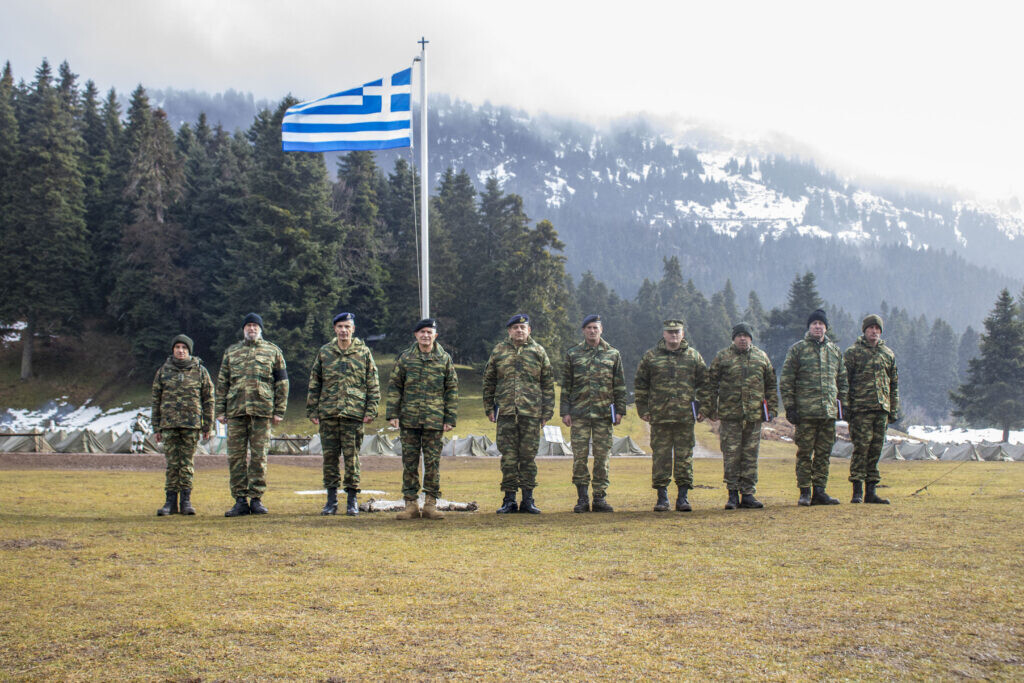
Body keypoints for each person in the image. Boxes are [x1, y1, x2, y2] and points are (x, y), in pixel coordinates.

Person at [306, 312, 380, 516]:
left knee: (352, 458)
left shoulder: (363, 352)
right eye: (340, 327)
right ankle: (331, 501)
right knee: (329, 458)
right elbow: (315, 382)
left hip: (353, 414)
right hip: (329, 413)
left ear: (353, 329)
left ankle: (352, 499)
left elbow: (372, 383)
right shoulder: (325, 352)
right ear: (335, 329)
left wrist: (371, 409)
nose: (343, 330)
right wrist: (312, 409)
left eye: (347, 327)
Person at [215, 313, 288, 517]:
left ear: (261, 329)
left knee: (259, 457)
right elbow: (222, 383)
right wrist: (220, 410)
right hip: (236, 412)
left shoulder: (273, 351)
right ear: (243, 329)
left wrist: (279, 410)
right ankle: (240, 499)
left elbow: (282, 383)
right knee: (236, 458)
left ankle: (256, 499)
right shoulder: (231, 352)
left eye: (255, 326)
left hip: (262, 412)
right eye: (248, 326)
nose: (252, 329)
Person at [482, 314, 555, 514]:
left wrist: (547, 412)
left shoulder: (538, 351)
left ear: (529, 330)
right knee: (508, 458)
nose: (519, 331)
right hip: (506, 413)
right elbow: (489, 380)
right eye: (515, 327)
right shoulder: (499, 351)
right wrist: (489, 407)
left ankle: (528, 500)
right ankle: (509, 499)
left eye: (523, 327)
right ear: (509, 331)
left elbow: (548, 383)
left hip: (531, 414)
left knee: (528, 458)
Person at [386, 318, 458, 520]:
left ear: (435, 335)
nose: (426, 335)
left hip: (434, 420)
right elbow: (395, 387)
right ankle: (410, 504)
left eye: (430, 332)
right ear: (416, 335)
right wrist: (393, 414)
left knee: (432, 463)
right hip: (409, 419)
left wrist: (450, 418)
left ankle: (430, 504)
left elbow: (451, 389)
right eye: (422, 332)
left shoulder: (444, 359)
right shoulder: (406, 358)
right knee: (409, 463)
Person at [634, 318, 707, 512]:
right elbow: (641, 384)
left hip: (684, 417)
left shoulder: (693, 357)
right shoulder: (651, 357)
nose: (673, 335)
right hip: (660, 417)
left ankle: (683, 497)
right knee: (661, 457)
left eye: (677, 332)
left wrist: (703, 408)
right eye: (670, 332)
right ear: (664, 334)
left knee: (684, 457)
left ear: (683, 334)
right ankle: (662, 498)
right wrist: (643, 409)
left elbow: (704, 384)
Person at [780, 309, 849, 506]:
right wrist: (790, 407)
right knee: (804, 453)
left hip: (827, 413)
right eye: (814, 324)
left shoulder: (834, 351)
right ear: (809, 327)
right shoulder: (798, 350)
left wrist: (842, 405)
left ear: (826, 327)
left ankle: (820, 491)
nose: (818, 327)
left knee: (824, 454)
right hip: (805, 413)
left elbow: (842, 380)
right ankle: (804, 492)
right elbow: (786, 380)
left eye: (821, 323)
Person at [705, 323, 777, 510]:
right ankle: (732, 494)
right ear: (733, 338)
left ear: (751, 338)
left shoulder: (761, 357)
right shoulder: (723, 357)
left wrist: (772, 409)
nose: (742, 339)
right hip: (730, 416)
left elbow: (770, 385)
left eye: (746, 335)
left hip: (753, 416)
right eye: (739, 336)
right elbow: (711, 384)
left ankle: (748, 494)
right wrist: (710, 408)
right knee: (731, 455)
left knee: (750, 455)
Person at [561, 314, 627, 513]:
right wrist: (565, 411)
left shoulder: (613, 354)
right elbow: (566, 385)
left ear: (601, 329)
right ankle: (582, 498)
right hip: (579, 414)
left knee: (602, 457)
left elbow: (619, 385)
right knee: (579, 457)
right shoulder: (573, 354)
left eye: (595, 327)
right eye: (588, 327)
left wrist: (620, 410)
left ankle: (599, 497)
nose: (592, 331)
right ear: (583, 331)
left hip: (603, 415)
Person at [151, 334, 214, 516]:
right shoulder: (163, 371)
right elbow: (156, 400)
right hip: (169, 425)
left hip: (191, 424)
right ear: (173, 350)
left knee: (186, 463)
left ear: (189, 351)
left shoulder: (200, 371)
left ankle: (186, 501)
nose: (180, 351)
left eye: (184, 348)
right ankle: (170, 502)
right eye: (178, 347)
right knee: (172, 464)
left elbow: (208, 399)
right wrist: (157, 427)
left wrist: (207, 426)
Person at [844, 314, 899, 504]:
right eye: (870, 328)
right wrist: (846, 408)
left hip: (881, 409)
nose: (874, 332)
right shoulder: (853, 353)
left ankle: (871, 491)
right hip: (860, 409)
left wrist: (893, 409)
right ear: (864, 331)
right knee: (861, 448)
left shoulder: (888, 354)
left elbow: (894, 384)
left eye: (877, 329)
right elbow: (844, 382)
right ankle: (857, 490)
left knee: (876, 449)